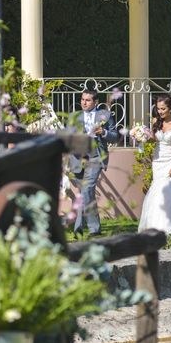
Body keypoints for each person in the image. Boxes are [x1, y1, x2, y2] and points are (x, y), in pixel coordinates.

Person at [67, 89, 119, 236]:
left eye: (88, 100)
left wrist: (104, 132)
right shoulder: (73, 116)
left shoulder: (105, 115)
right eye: (82, 99)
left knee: (88, 188)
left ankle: (93, 229)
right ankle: (79, 227)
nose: (84, 102)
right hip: (78, 157)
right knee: (83, 192)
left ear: (95, 102)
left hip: (96, 156)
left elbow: (115, 137)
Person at [138, 95, 171, 233]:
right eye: (158, 108)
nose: (160, 111)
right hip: (158, 160)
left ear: (170, 108)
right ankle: (155, 227)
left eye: (163, 108)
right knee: (156, 191)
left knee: (168, 191)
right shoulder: (156, 121)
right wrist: (144, 136)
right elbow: (156, 140)